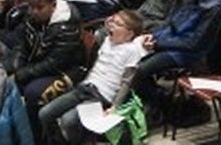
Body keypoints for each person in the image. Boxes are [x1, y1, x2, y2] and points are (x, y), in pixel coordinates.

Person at [130, 0, 221, 112]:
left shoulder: (213, 10)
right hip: (170, 41)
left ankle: (163, 102)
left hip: (187, 53)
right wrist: (153, 36)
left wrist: (159, 44)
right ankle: (153, 101)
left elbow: (194, 43)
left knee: (141, 70)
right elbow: (171, 23)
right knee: (130, 60)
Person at [39, 10, 148, 145]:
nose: (112, 26)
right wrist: (111, 22)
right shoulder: (107, 40)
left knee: (69, 120)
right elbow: (107, 26)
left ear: (129, 34)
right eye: (113, 22)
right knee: (45, 113)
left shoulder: (132, 50)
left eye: (118, 24)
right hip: (84, 87)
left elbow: (127, 82)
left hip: (101, 96)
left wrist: (115, 106)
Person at [5, 0, 86, 135]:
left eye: (40, 8)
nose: (34, 12)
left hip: (67, 70)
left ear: (53, 5)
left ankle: (34, 135)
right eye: (31, 7)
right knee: (4, 71)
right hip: (39, 61)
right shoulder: (32, 14)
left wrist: (21, 74)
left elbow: (53, 64)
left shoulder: (67, 26)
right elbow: (22, 43)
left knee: (33, 92)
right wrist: (17, 66)